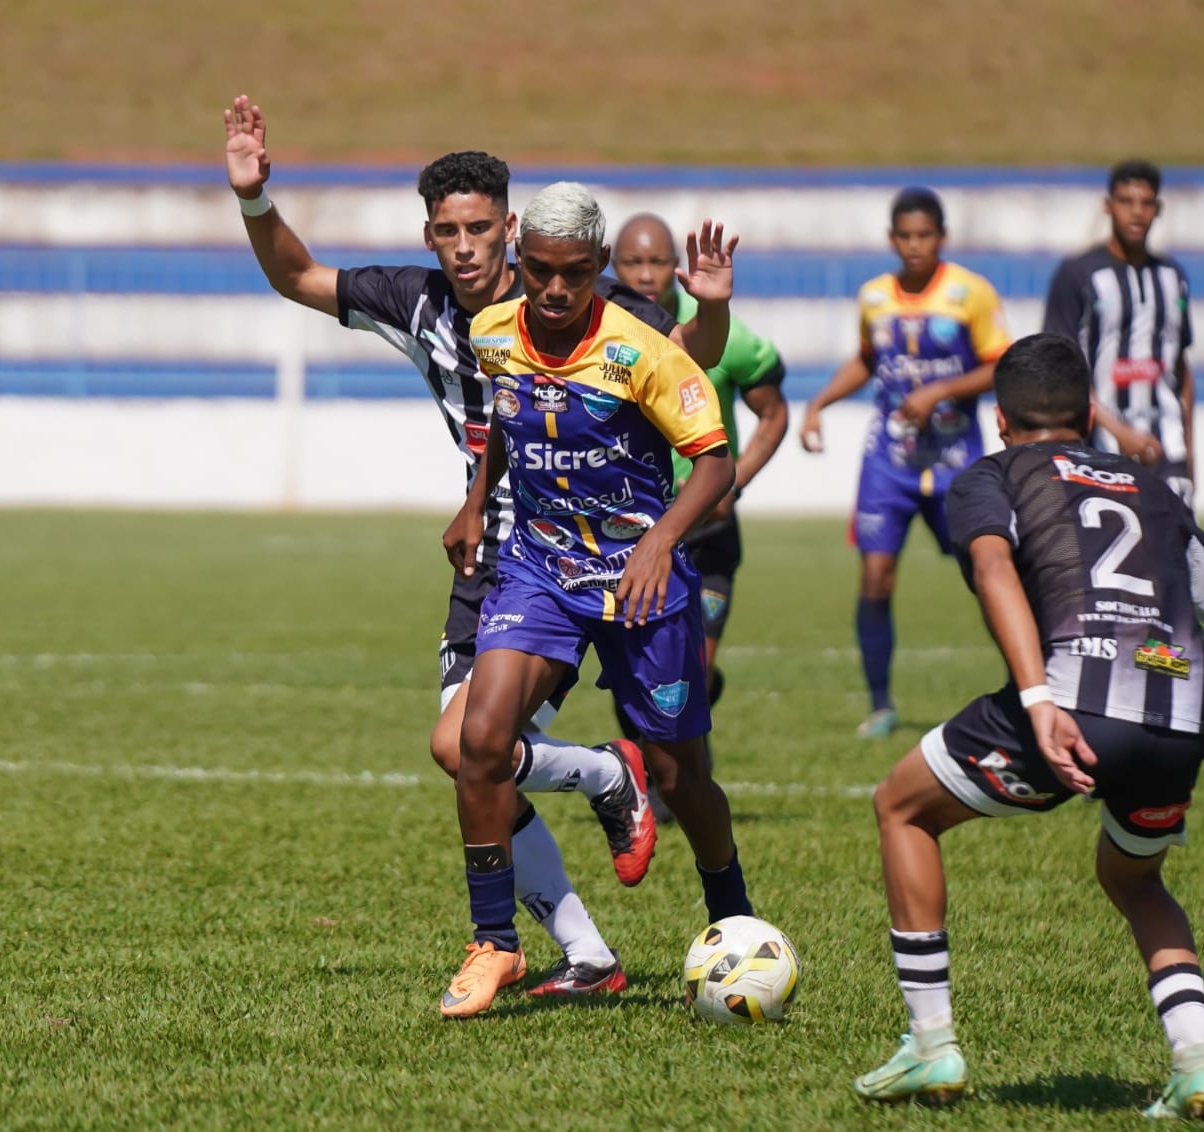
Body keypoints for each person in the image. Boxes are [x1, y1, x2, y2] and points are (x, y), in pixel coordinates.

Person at [222, 94, 737, 1004]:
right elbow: (297, 276)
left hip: (623, 559)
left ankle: (667, 855)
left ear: (510, 230)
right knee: (466, 747)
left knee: (661, 767)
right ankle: (556, 942)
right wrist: (255, 199)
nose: (465, 248)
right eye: (447, 232)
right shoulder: (430, 310)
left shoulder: (587, 303)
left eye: (480, 230)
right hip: (508, 563)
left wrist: (710, 317)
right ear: (431, 236)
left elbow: (679, 364)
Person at [851, 334, 1204, 1118]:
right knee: (1135, 877)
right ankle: (1198, 1062)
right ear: (1089, 415)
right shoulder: (1153, 489)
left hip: (1070, 708)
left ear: (1002, 421)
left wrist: (1039, 699)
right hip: (1173, 718)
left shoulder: (994, 474)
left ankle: (931, 1046)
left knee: (901, 807)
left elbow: (991, 568)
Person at [441, 182, 753, 1018]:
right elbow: (510, 418)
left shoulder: (642, 347)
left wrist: (660, 540)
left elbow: (714, 462)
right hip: (539, 569)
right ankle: (495, 941)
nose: (552, 289)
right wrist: (479, 498)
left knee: (685, 778)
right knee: (477, 739)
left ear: (600, 267)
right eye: (538, 270)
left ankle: (736, 922)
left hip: (640, 580)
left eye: (573, 273)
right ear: (518, 261)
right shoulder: (491, 332)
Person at [799, 187, 1011, 739]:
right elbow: (868, 361)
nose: (914, 246)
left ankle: (1024, 686)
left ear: (941, 237)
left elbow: (999, 366)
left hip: (956, 461)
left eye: (925, 236)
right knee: (875, 577)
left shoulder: (970, 293)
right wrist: (819, 402)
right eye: (905, 236)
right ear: (892, 239)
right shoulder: (874, 297)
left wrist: (941, 389)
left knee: (987, 573)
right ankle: (880, 704)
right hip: (887, 463)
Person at [610, 214, 789, 809]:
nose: (644, 275)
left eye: (656, 262)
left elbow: (774, 414)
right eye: (632, 263)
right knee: (636, 666)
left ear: (675, 266)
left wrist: (738, 480)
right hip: (637, 532)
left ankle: (685, 777)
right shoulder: (607, 338)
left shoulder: (722, 337)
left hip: (709, 533)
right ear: (614, 264)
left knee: (695, 667)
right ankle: (658, 783)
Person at [1042, 159, 1196, 507]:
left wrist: (1189, 453)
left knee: (1177, 557)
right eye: (1126, 201)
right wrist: (1119, 432)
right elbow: (1060, 367)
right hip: (1101, 448)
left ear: (1158, 209)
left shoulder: (1173, 276)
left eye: (1146, 203)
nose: (1136, 212)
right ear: (1108, 206)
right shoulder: (1077, 274)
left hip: (1167, 447)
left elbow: (1181, 370)